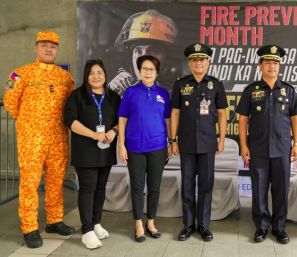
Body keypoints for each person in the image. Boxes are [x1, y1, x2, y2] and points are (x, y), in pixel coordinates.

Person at [3, 31, 75, 248]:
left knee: (55, 181)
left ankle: (54, 220)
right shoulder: (19, 74)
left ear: (57, 49)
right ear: (36, 48)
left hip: (58, 138)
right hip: (31, 139)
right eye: (44, 45)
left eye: (53, 46)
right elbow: (10, 102)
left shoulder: (65, 77)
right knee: (29, 184)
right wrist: (29, 123)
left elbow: (71, 105)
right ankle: (30, 227)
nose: (48, 49)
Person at [236, 45, 297, 244]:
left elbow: (296, 118)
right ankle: (262, 227)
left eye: (275, 63)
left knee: (281, 190)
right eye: (268, 63)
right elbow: (243, 120)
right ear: (260, 65)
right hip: (258, 149)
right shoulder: (251, 91)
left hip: (282, 149)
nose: (272, 66)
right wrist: (244, 146)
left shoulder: (288, 90)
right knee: (259, 190)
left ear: (279, 66)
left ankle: (279, 227)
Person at [170, 43, 228, 242]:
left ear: (208, 62)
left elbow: (222, 113)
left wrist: (221, 140)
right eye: (194, 59)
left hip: (207, 143)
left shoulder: (216, 84)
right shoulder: (180, 84)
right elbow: (175, 113)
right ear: (189, 62)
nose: (198, 63)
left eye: (202, 59)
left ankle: (203, 225)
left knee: (205, 185)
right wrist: (172, 140)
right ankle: (188, 225)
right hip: (185, 142)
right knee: (187, 185)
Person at [63, 60, 121, 249]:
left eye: (100, 72)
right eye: (91, 73)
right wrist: (93, 134)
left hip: (106, 149)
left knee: (101, 187)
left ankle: (96, 223)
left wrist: (113, 131)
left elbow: (122, 120)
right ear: (86, 77)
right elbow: (70, 120)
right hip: (85, 150)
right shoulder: (77, 96)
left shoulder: (113, 97)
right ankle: (86, 230)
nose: (96, 76)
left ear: (105, 74)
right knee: (88, 188)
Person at [118, 55, 172, 242]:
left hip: (158, 146)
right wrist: (121, 145)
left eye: (151, 69)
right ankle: (138, 223)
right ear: (139, 71)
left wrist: (170, 142)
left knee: (155, 187)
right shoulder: (131, 92)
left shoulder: (164, 93)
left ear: (157, 72)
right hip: (135, 147)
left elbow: (167, 120)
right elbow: (122, 119)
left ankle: (151, 221)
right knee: (138, 187)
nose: (148, 72)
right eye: (144, 69)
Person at [109, 9, 181, 96]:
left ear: (167, 57)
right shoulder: (119, 93)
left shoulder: (178, 95)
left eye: (153, 51)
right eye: (138, 51)